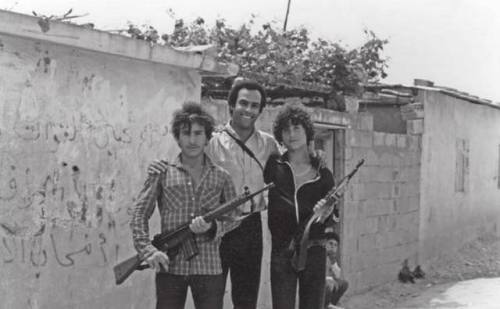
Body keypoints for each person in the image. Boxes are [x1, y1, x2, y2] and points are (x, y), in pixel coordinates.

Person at [148, 78, 280, 309]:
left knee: (247, 298)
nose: (248, 110)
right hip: (216, 227)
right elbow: (183, 161)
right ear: (231, 105)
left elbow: (291, 165)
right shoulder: (212, 141)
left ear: (260, 110)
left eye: (254, 106)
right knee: (211, 296)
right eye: (243, 103)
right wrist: (157, 166)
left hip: (250, 226)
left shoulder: (268, 144)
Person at [130, 102, 239, 309]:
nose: (192, 140)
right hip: (170, 267)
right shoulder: (162, 173)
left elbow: (234, 217)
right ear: (177, 137)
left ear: (207, 137)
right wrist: (148, 251)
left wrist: (213, 227)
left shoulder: (221, 176)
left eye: (198, 133)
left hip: (209, 266)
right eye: (186, 133)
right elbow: (139, 215)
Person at [263, 104, 335, 309]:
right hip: (282, 250)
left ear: (307, 132)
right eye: (286, 129)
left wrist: (326, 212)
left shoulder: (323, 174)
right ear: (280, 134)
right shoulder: (274, 167)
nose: (291, 134)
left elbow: (333, 215)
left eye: (297, 128)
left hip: (314, 251)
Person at [324, 229, 349, 309]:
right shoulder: (319, 255)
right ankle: (326, 306)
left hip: (326, 284)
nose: (333, 247)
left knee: (343, 283)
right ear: (325, 243)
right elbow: (317, 276)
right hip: (315, 287)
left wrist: (333, 261)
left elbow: (338, 275)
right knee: (328, 285)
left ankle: (330, 304)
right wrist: (329, 280)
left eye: (335, 245)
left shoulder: (331, 258)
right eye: (330, 243)